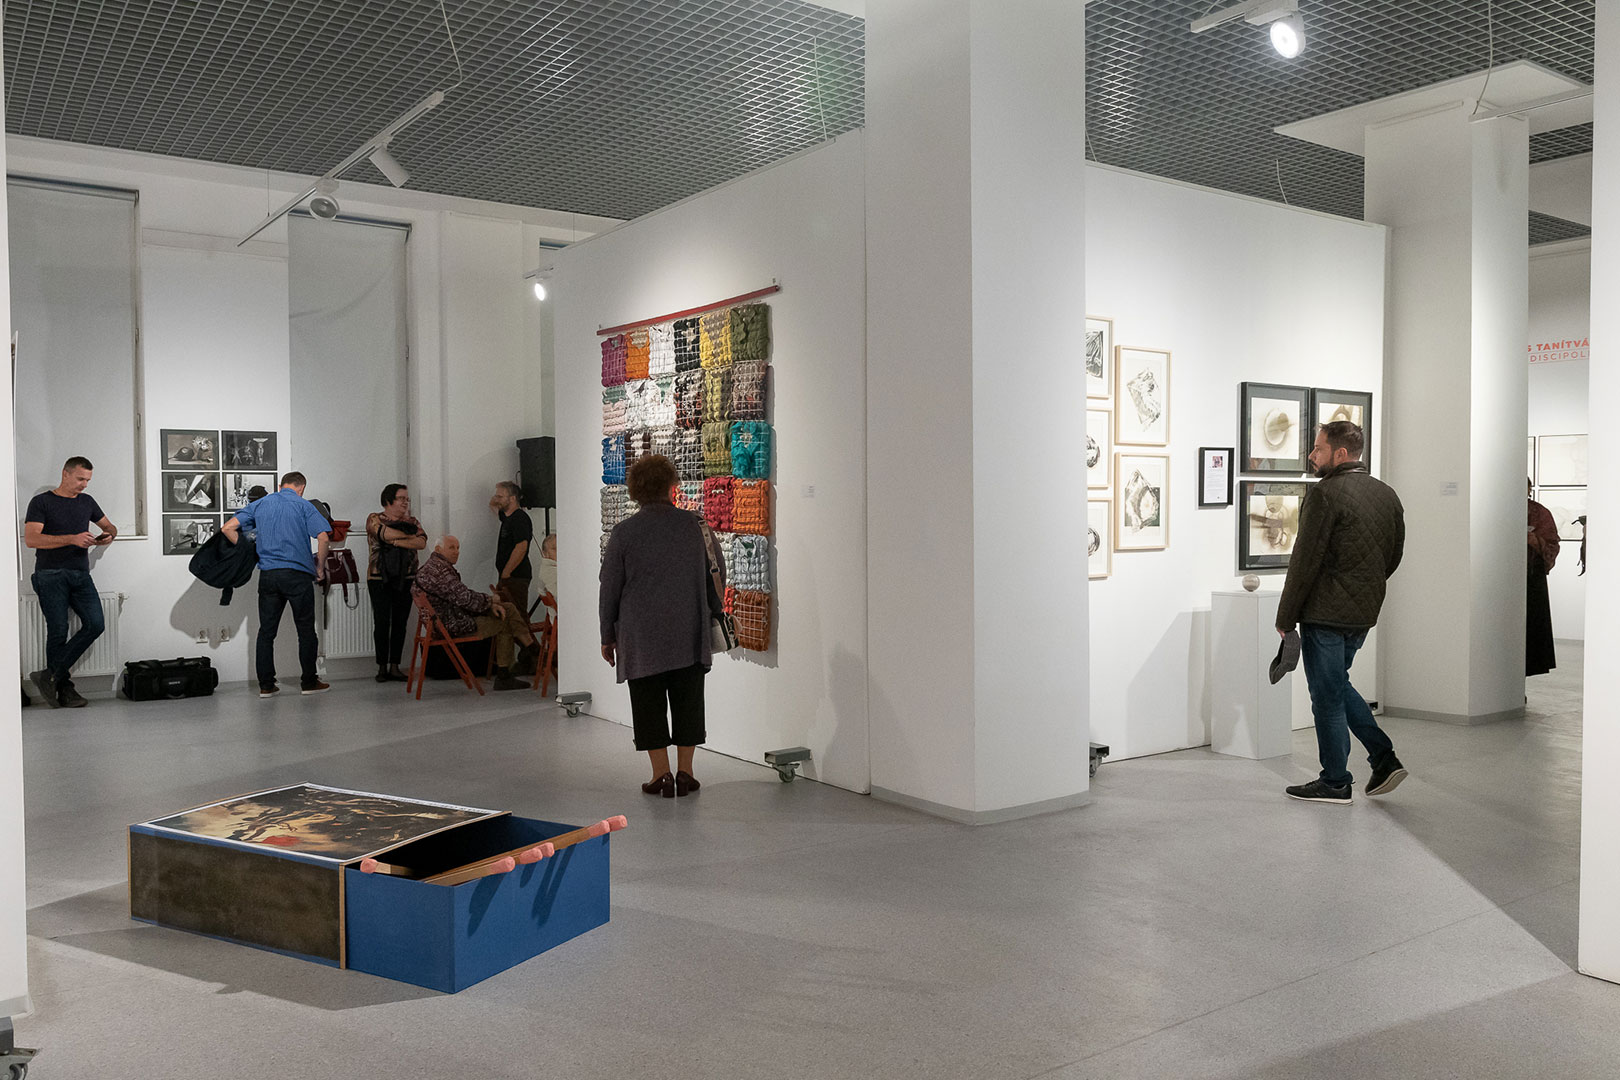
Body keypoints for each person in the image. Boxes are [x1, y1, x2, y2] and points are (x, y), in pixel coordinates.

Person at [1275, 421, 1407, 804]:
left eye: (1318, 449)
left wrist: (1285, 618)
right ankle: (1382, 759)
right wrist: (1363, 588)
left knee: (1327, 696)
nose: (1312, 455)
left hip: (1325, 614)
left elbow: (1304, 562)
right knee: (1336, 685)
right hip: (1362, 613)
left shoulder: (1325, 494)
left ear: (1341, 453)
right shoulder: (1386, 494)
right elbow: (1393, 556)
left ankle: (1336, 781)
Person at [599, 454, 722, 798]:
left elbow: (609, 587)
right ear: (672, 486)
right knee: (689, 700)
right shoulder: (696, 526)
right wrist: (714, 612)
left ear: (635, 491)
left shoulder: (624, 533)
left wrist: (607, 634)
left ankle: (660, 775)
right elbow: (717, 574)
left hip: (641, 635)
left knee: (648, 703)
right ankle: (686, 773)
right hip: (689, 628)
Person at [223, 471, 332, 698]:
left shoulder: (262, 503)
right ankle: (309, 682)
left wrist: (248, 550)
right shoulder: (304, 505)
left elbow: (227, 528)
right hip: (298, 575)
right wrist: (320, 568)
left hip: (269, 575)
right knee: (306, 631)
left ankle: (266, 686)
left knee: (266, 632)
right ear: (301, 488)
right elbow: (323, 537)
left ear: (281, 486)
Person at [24, 456, 117, 707]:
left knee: (95, 624)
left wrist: (107, 536)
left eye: (87, 480)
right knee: (58, 631)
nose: (84, 485)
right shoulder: (41, 502)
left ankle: (50, 675)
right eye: (80, 479)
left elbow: (111, 527)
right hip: (49, 574)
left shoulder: (87, 502)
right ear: (65, 474)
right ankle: (65, 690)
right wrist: (72, 539)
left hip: (80, 575)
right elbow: (32, 539)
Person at [413, 535, 539, 691]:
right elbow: (464, 598)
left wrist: (489, 605)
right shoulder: (439, 570)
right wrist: (490, 601)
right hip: (452, 625)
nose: (456, 552)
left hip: (443, 622)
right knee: (505, 618)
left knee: (507, 608)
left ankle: (530, 651)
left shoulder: (430, 567)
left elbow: (460, 597)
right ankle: (521, 661)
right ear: (438, 549)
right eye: (451, 548)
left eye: (458, 548)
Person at [366, 483, 426, 683]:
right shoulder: (375, 518)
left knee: (400, 623)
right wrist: (409, 535)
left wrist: (397, 542)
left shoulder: (413, 521)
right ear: (388, 500)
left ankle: (395, 666)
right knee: (382, 622)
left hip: (406, 578)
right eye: (401, 498)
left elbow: (421, 542)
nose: (405, 503)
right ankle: (382, 667)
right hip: (379, 578)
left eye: (407, 499)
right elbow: (383, 534)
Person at [1527, 480, 1560, 677]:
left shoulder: (1539, 513)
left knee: (1532, 628)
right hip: (1500, 580)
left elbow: (1552, 543)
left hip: (1531, 578)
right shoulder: (1498, 508)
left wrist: (1534, 540)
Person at [491, 480, 535, 615]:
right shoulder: (506, 517)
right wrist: (498, 498)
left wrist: (506, 572)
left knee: (518, 615)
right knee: (508, 615)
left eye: (500, 496)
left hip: (516, 576)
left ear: (512, 498)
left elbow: (521, 547)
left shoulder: (519, 519)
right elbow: (492, 505)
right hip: (507, 576)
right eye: (497, 496)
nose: (497, 499)